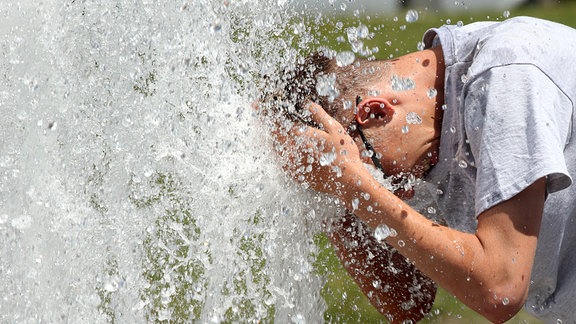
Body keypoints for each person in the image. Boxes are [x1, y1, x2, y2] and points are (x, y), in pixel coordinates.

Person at [265, 16, 576, 323]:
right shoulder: (422, 134)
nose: (400, 193)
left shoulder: (506, 76)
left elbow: (499, 288)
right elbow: (408, 300)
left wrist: (351, 183)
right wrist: (335, 192)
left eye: (375, 175)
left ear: (375, 112)